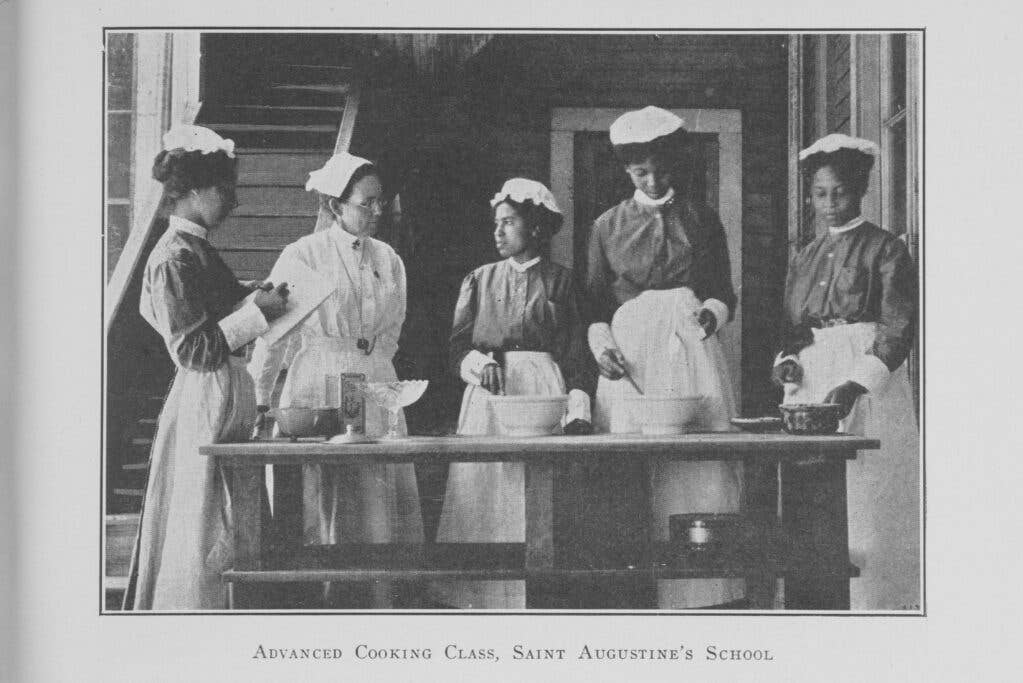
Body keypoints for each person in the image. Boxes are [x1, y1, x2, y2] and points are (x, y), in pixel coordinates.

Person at [584, 106, 743, 609]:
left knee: (697, 450)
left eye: (661, 168)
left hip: (691, 346)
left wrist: (711, 316)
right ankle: (630, 587)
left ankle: (702, 589)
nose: (653, 180)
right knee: (631, 458)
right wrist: (601, 346)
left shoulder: (701, 217)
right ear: (626, 171)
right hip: (631, 352)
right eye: (640, 172)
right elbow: (592, 304)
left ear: (675, 163)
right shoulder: (607, 225)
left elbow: (722, 291)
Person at [128, 125, 289, 609]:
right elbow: (193, 349)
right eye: (226, 190)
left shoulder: (196, 248)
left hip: (224, 388)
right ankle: (198, 608)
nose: (233, 201)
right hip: (205, 393)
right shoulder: (173, 256)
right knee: (203, 511)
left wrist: (249, 296)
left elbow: (216, 308)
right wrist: (258, 313)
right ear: (195, 190)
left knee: (230, 504)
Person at [249, 153, 424, 562]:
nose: (378, 210)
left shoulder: (388, 258)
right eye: (367, 203)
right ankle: (326, 593)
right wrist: (259, 397)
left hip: (375, 381)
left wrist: (372, 365)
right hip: (320, 378)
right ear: (335, 206)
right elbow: (273, 335)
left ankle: (379, 592)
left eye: (381, 201)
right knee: (326, 494)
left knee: (374, 494)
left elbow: (393, 327)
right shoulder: (304, 254)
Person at [430, 179, 594, 609]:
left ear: (536, 226)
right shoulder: (479, 280)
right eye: (495, 223)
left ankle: (539, 598)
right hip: (490, 395)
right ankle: (480, 598)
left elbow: (576, 354)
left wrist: (577, 409)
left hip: (543, 389)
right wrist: (478, 365)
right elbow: (456, 348)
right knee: (486, 489)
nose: (498, 232)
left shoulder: (561, 282)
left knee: (535, 489)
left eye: (509, 222)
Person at [773, 133, 919, 610]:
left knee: (866, 492)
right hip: (812, 379)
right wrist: (787, 363)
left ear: (859, 191)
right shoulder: (805, 255)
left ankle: (877, 602)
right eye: (820, 194)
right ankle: (816, 603)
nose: (830, 204)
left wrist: (857, 385)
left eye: (840, 192)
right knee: (812, 492)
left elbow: (898, 329)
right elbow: (792, 327)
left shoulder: (887, 248)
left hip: (863, 375)